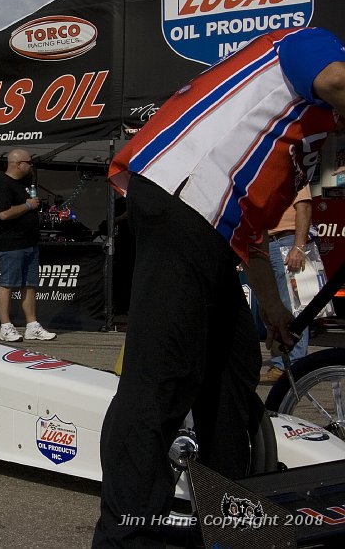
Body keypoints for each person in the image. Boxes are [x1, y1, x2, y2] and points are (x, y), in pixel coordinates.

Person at [94, 27, 345, 548]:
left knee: (232, 365)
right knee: (162, 377)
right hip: (182, 195)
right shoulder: (311, 44)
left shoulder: (303, 133)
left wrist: (273, 305)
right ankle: (129, 533)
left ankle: (229, 512)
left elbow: (250, 231)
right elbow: (337, 78)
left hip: (209, 224)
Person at [0, 149, 57, 342]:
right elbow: (3, 214)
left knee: (29, 284)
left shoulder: (27, 183)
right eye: (29, 162)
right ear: (18, 164)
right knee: (8, 284)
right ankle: (5, 326)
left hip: (30, 242)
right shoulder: (2, 184)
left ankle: (32, 325)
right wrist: (28, 206)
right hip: (11, 243)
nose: (31, 166)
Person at [256, 188, 317, 384]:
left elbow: (304, 207)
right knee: (271, 306)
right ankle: (281, 362)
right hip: (265, 242)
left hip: (286, 241)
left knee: (292, 304)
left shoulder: (294, 169)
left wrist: (299, 246)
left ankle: (293, 363)